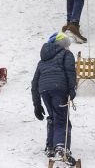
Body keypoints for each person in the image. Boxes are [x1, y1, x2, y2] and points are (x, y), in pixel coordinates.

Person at [31, 32, 77, 166]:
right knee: (61, 118)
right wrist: (71, 89)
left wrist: (37, 104)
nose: (68, 48)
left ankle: (51, 147)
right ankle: (61, 147)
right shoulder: (66, 55)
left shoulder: (43, 60)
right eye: (67, 45)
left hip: (44, 90)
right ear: (62, 45)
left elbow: (34, 83)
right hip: (59, 89)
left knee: (52, 117)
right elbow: (70, 72)